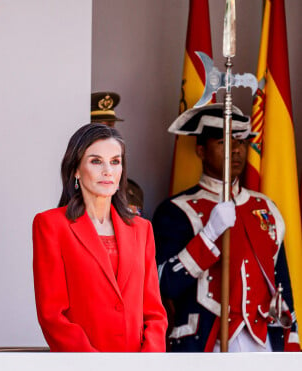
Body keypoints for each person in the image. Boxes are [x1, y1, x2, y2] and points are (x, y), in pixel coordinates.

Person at [153, 103, 299, 352]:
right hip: (206, 343)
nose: (237, 151)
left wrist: (292, 340)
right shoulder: (176, 211)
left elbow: (280, 281)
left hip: (264, 342)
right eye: (224, 142)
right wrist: (208, 235)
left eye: (241, 142)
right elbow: (163, 283)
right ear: (200, 150)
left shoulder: (265, 208)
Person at [32, 123, 167, 352]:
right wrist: (95, 367)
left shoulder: (142, 229)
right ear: (75, 168)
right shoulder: (51, 225)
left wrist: (148, 362)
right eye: (96, 161)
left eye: (115, 161)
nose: (108, 171)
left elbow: (154, 312)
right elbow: (52, 315)